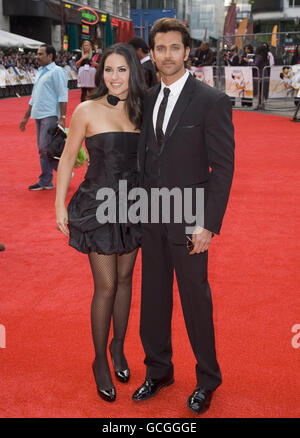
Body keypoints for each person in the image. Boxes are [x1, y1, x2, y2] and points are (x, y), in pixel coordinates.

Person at [132, 18, 235, 415]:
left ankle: (208, 379)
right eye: (161, 49)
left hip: (190, 218)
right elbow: (144, 157)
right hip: (152, 215)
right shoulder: (149, 95)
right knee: (154, 299)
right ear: (153, 53)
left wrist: (208, 223)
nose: (168, 56)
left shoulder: (211, 100)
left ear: (187, 51)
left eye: (175, 48)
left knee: (196, 301)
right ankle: (159, 370)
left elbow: (223, 168)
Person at [55, 43, 145, 403]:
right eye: (109, 70)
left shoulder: (143, 110)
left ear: (132, 73)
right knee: (106, 285)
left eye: (122, 70)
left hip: (136, 205)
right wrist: (60, 206)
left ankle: (119, 348)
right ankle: (99, 362)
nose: (115, 77)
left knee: (126, 280)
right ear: (99, 73)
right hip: (99, 205)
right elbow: (65, 160)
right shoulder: (86, 110)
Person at [20, 44, 68, 191]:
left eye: (41, 54)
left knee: (45, 148)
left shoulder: (57, 71)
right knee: (43, 149)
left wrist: (63, 116)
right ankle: (46, 180)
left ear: (50, 56)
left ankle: (62, 173)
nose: (37, 56)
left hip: (50, 114)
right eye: (37, 54)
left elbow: (62, 94)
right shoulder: (40, 71)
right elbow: (33, 98)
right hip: (38, 114)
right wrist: (26, 117)